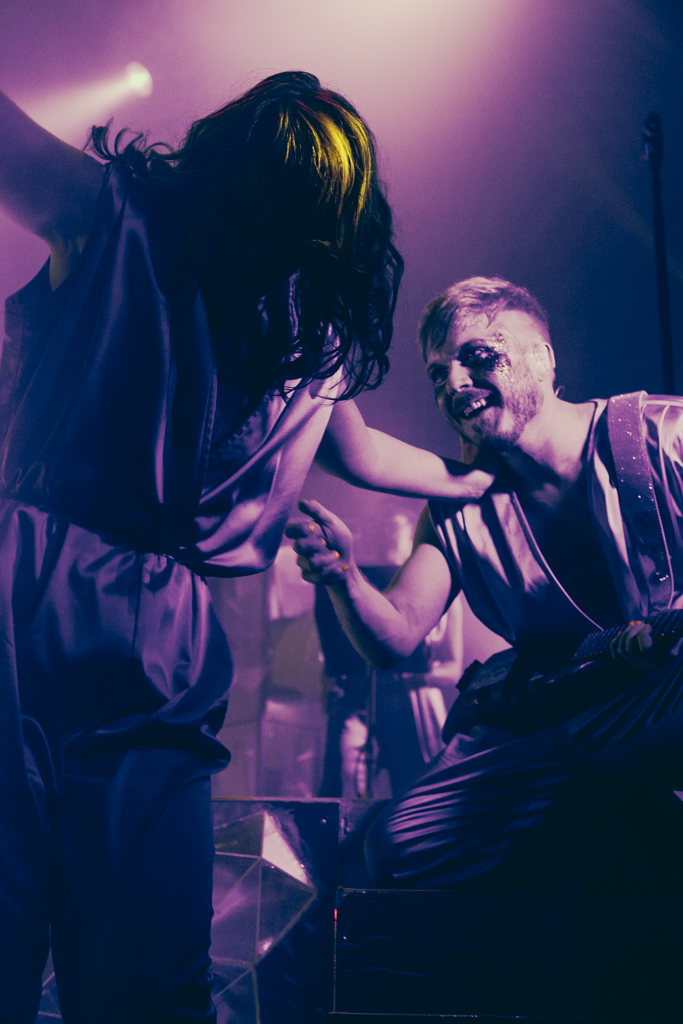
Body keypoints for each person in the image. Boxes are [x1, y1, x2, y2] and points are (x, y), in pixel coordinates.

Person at [0, 75, 496, 1023]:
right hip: (39, 585)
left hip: (145, 627)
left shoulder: (304, 328)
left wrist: (473, 480)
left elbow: (360, 453)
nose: (270, 239)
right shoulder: (114, 219)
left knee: (145, 969)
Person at [288, 275, 683, 893]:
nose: (454, 384)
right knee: (397, 849)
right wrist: (342, 576)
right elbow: (394, 637)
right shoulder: (457, 509)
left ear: (543, 359)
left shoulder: (664, 433)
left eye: (477, 357)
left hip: (670, 697)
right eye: (438, 375)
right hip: (574, 724)